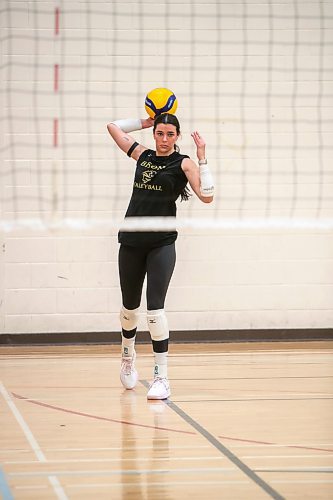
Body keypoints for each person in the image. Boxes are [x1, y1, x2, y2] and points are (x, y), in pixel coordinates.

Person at [107, 112, 214, 400]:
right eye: (159, 133)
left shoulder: (184, 164)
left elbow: (207, 195)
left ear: (177, 137)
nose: (164, 139)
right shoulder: (142, 155)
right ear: (154, 134)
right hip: (131, 241)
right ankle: (127, 356)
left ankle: (161, 377)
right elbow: (113, 127)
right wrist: (145, 121)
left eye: (170, 134)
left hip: (161, 244)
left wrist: (202, 157)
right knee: (129, 310)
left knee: (154, 312)